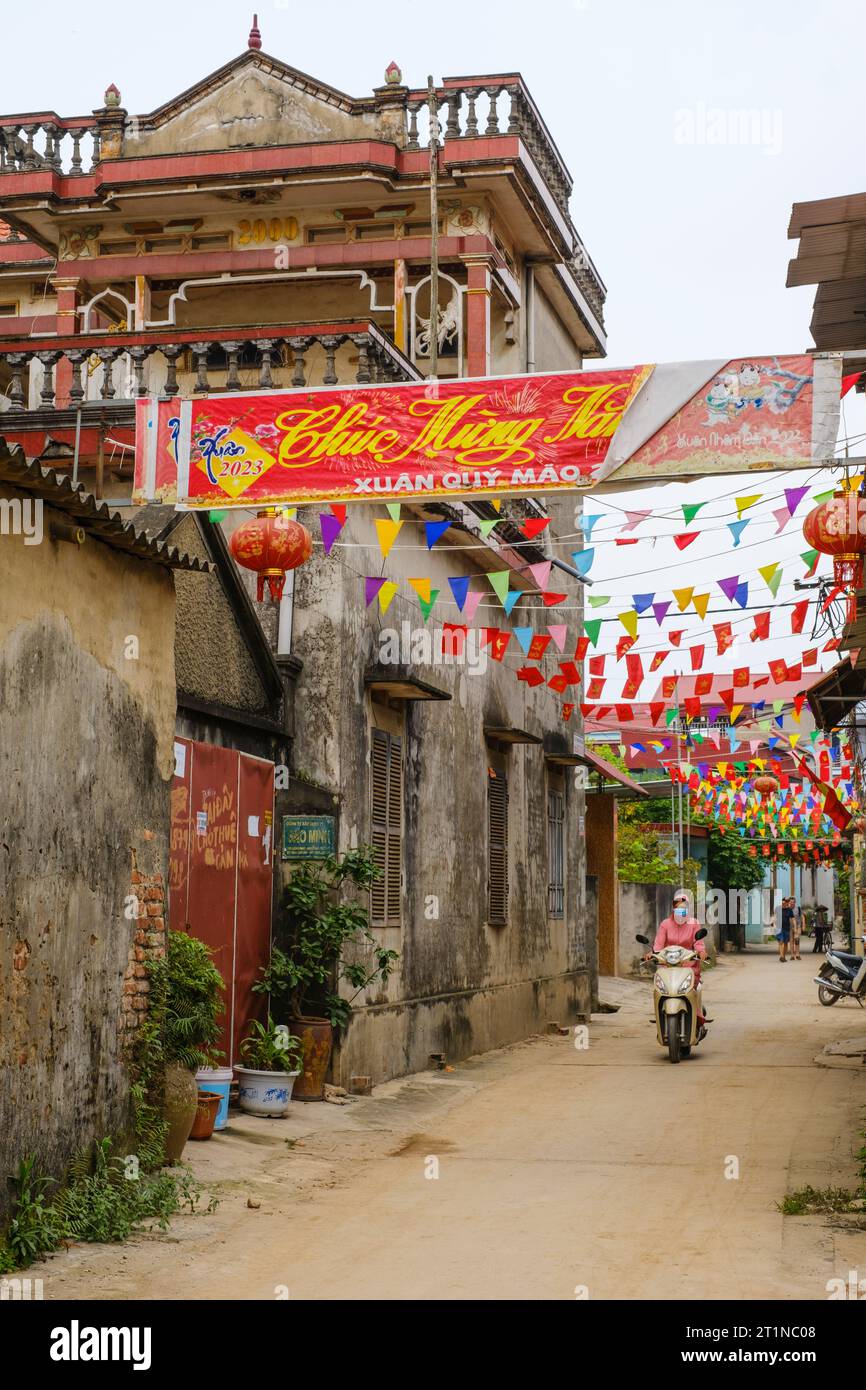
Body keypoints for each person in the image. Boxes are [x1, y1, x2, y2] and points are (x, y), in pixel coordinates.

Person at [649, 890, 711, 1026]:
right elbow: (658, 944)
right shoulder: (665, 924)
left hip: (688, 964)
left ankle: (697, 1013)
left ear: (687, 909)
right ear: (673, 908)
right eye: (678, 908)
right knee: (659, 988)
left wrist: (701, 952)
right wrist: (652, 953)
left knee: (694, 988)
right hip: (668, 965)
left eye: (683, 908)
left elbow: (698, 942)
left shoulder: (693, 923)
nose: (680, 911)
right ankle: (660, 1012)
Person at [777, 896, 792, 962]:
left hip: (787, 928)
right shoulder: (778, 908)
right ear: (782, 901)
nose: (786, 902)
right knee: (781, 941)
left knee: (785, 943)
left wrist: (795, 928)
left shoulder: (789, 910)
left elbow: (792, 919)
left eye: (787, 901)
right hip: (779, 928)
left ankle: (784, 956)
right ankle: (781, 956)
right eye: (785, 901)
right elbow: (774, 916)